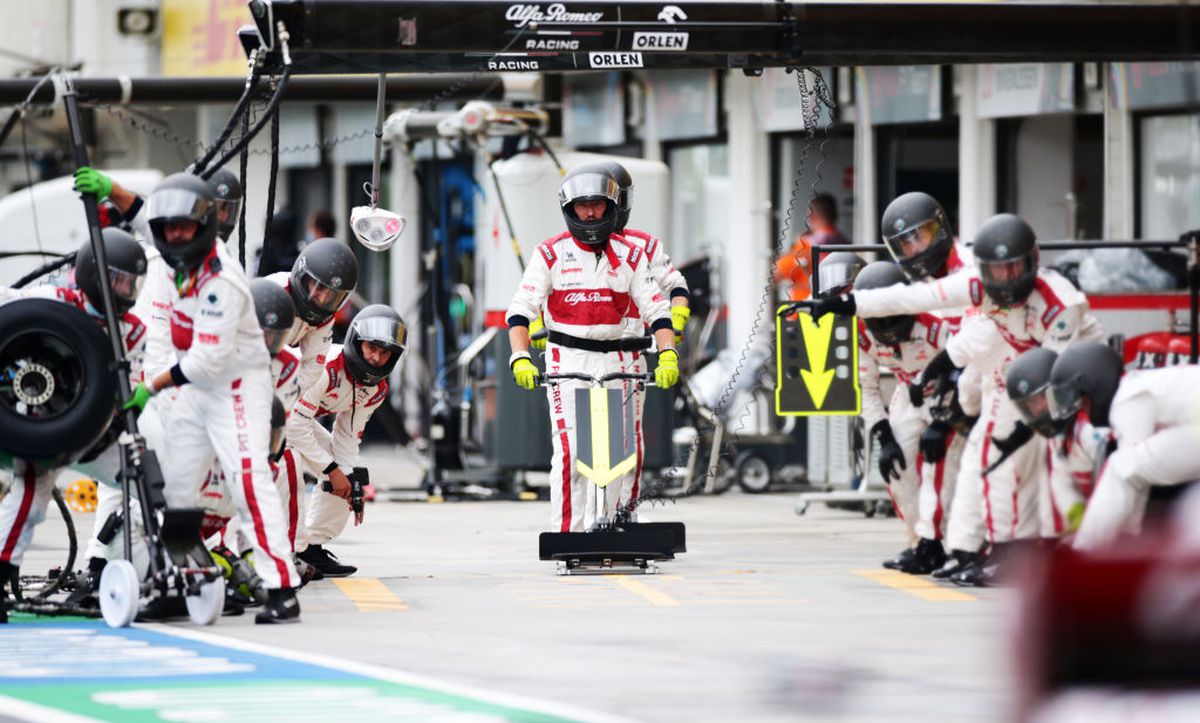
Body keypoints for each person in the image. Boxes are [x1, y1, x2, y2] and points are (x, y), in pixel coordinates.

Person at [810, 213, 1105, 585]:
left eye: (1014, 268)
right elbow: (915, 296)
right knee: (987, 460)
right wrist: (848, 305)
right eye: (996, 271)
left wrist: (1013, 426)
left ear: (1033, 261)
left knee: (1062, 471)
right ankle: (985, 551)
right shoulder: (977, 285)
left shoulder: (1060, 303)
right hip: (1019, 379)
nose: (1006, 279)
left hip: (1078, 384)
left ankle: (1059, 552)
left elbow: (1054, 370)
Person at [124, 172, 299, 624]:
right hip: (188, 385)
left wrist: (150, 386)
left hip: (236, 385)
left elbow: (207, 361)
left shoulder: (222, 279)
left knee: (247, 478)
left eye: (185, 226)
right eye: (170, 228)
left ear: (204, 224)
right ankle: (182, 581)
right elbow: (148, 219)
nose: (176, 234)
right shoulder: (169, 263)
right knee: (179, 490)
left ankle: (281, 588)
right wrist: (108, 191)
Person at [506, 168, 679, 532]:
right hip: (566, 359)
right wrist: (519, 356)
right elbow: (520, 310)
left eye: (597, 206)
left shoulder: (632, 255)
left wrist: (667, 353)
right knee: (571, 451)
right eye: (582, 206)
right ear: (569, 208)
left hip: (620, 358)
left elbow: (657, 311)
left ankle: (613, 526)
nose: (589, 214)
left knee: (617, 452)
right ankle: (566, 534)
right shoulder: (549, 253)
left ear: (611, 208)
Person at [0, 230, 148, 622]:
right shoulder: (53, 301)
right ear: (92, 274)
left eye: (130, 282)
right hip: (36, 425)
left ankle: (148, 570)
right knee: (33, 492)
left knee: (147, 478)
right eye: (116, 279)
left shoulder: (133, 330)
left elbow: (133, 387)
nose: (124, 289)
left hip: (95, 432)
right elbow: (8, 306)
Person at [850, 261, 967, 574]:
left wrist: (944, 420)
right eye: (880, 317)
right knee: (897, 468)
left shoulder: (934, 324)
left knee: (939, 468)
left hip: (948, 393)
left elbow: (963, 367)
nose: (887, 326)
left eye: (894, 314)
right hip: (907, 391)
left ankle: (944, 542)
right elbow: (867, 389)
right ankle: (919, 543)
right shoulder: (861, 334)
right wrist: (883, 436)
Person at [1047, 343, 1200, 550]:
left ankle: (1086, 553)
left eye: (1082, 400)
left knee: (1120, 466)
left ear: (1093, 384)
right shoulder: (1141, 384)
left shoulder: (1127, 398)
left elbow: (1129, 476)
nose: (1083, 408)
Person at [291, 305, 407, 577]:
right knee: (292, 464)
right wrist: (332, 471)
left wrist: (346, 482)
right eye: (371, 348)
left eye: (384, 352)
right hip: (272, 415)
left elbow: (347, 438)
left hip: (295, 419)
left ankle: (311, 548)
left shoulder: (376, 391)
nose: (376, 358)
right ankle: (287, 547)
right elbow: (293, 425)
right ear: (356, 342)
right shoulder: (325, 366)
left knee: (349, 477)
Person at [1005, 347, 1108, 540]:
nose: (1037, 408)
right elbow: (1062, 483)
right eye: (1030, 404)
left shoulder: (1090, 429)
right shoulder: (1059, 436)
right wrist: (1078, 518)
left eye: (1040, 398)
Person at [266, 237, 359, 395]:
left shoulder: (325, 317)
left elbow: (314, 364)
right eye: (319, 287)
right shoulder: (274, 292)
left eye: (332, 295)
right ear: (303, 275)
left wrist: (288, 395)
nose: (322, 299)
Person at [774, 193, 851, 302]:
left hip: (806, 311)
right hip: (839, 308)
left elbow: (776, 273)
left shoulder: (805, 245)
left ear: (812, 217)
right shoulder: (845, 243)